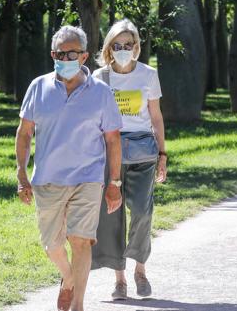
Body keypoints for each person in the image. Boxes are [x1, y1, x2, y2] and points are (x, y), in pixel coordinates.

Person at [16, 25, 123, 311]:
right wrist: (21, 173)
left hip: (87, 179)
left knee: (81, 241)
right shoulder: (38, 87)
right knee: (52, 245)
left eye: (71, 53)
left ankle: (78, 305)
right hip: (47, 180)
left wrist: (114, 183)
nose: (64, 58)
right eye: (58, 53)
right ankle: (68, 279)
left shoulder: (101, 93)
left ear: (84, 56)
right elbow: (24, 133)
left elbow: (113, 140)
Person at [91, 19, 168, 300]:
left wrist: (163, 154)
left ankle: (140, 269)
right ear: (110, 47)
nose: (123, 49)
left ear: (136, 46)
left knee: (142, 210)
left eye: (128, 44)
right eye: (117, 45)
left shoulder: (148, 75)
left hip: (143, 154)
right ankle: (120, 279)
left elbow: (156, 118)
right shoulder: (99, 77)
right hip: (109, 153)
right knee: (112, 215)